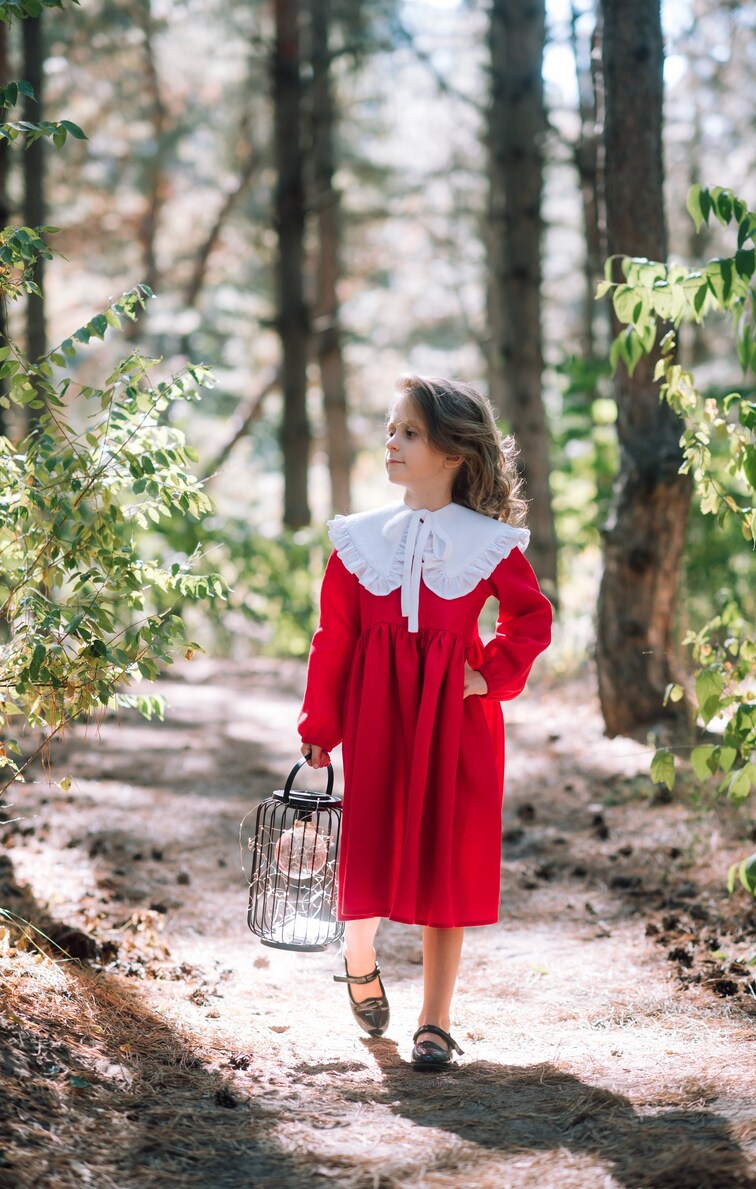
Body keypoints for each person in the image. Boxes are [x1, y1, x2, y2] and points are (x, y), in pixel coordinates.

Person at [297, 374, 553, 1070]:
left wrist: (489, 674)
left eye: (409, 432)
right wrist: (321, 722)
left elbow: (530, 617)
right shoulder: (360, 539)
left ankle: (434, 1022)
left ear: (453, 452)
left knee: (452, 852)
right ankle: (358, 956)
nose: (392, 442)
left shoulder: (488, 541)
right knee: (371, 839)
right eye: (391, 429)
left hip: (457, 719)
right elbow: (336, 635)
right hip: (378, 715)